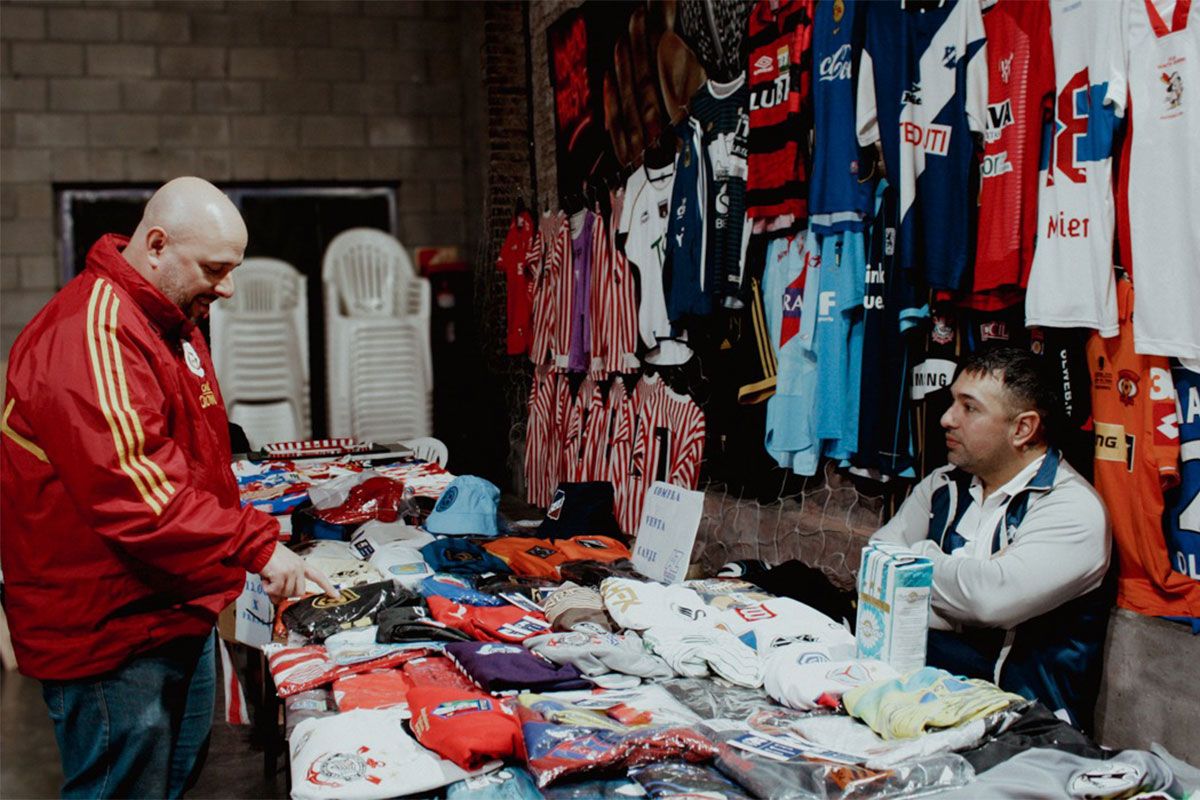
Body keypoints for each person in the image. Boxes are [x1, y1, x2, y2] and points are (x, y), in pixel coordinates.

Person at [0, 176, 336, 798]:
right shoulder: (94, 330)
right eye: (214, 268)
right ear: (156, 245)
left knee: (173, 783)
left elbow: (189, 460)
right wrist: (257, 545)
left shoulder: (170, 319)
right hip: (112, 633)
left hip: (172, 607)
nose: (228, 287)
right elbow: (138, 492)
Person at [871, 347, 1112, 730]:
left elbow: (988, 601)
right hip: (920, 703)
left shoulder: (1072, 509)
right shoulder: (941, 485)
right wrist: (959, 593)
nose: (947, 419)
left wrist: (918, 560)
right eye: (953, 402)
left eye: (969, 408)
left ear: (1023, 428)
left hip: (1023, 727)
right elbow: (874, 568)